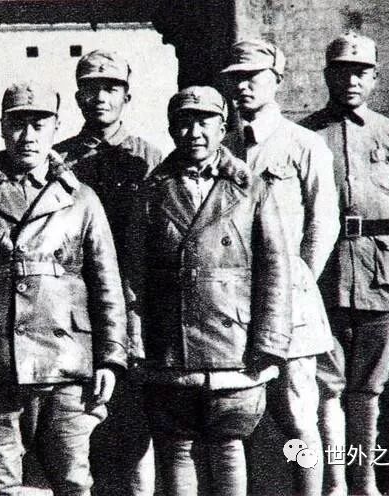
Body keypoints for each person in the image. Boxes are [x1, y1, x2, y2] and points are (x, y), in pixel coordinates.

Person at [0, 80, 127, 495]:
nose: (28, 136)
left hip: (67, 364)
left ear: (56, 128)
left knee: (73, 481)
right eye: (18, 125)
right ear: (2, 128)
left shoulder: (82, 199)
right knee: (1, 484)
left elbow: (107, 287)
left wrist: (111, 358)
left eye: (39, 125)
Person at [124, 86, 291, 496]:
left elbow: (274, 270)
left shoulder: (250, 188)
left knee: (228, 443)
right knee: (176, 446)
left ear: (222, 128)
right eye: (184, 122)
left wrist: (269, 343)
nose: (194, 132)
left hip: (234, 343)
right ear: (171, 129)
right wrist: (134, 341)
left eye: (205, 122)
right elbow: (132, 276)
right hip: (170, 344)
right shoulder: (152, 191)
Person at [300, 32, 389, 496]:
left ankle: (365, 482)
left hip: (382, 280)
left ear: (374, 78)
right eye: (342, 71)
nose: (351, 80)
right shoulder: (306, 135)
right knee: (327, 385)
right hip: (325, 277)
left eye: (361, 72)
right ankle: (336, 482)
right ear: (327, 76)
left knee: (369, 388)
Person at [220, 39, 340, 495]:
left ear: (277, 79)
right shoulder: (223, 147)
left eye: (253, 77)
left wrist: (293, 284)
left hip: (291, 306)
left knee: (297, 412)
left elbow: (323, 224)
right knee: (241, 413)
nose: (243, 86)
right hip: (235, 306)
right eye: (235, 78)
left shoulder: (303, 145)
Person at [54, 48, 161, 496]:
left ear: (127, 97)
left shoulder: (149, 159)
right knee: (78, 412)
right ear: (77, 97)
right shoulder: (58, 160)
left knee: (134, 417)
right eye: (90, 89)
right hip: (74, 306)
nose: (100, 97)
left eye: (111, 88)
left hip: (131, 303)